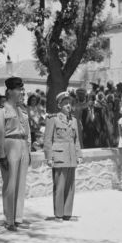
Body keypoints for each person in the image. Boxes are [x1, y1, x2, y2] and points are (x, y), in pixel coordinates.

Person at [0, 77, 31, 231]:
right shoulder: (2, 111)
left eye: (21, 89)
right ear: (9, 91)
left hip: (22, 145)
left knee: (21, 184)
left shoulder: (22, 110)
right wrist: (2, 155)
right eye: (18, 89)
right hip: (10, 145)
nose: (21, 92)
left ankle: (18, 218)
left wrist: (28, 152)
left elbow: (28, 134)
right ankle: (9, 220)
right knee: (10, 184)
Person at [43, 91, 83, 221]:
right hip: (59, 156)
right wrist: (49, 157)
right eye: (65, 103)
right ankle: (58, 214)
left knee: (70, 186)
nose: (68, 106)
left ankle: (67, 213)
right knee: (59, 186)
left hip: (71, 156)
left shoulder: (74, 120)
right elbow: (48, 140)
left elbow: (76, 140)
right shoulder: (52, 119)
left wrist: (79, 154)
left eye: (69, 103)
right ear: (59, 105)